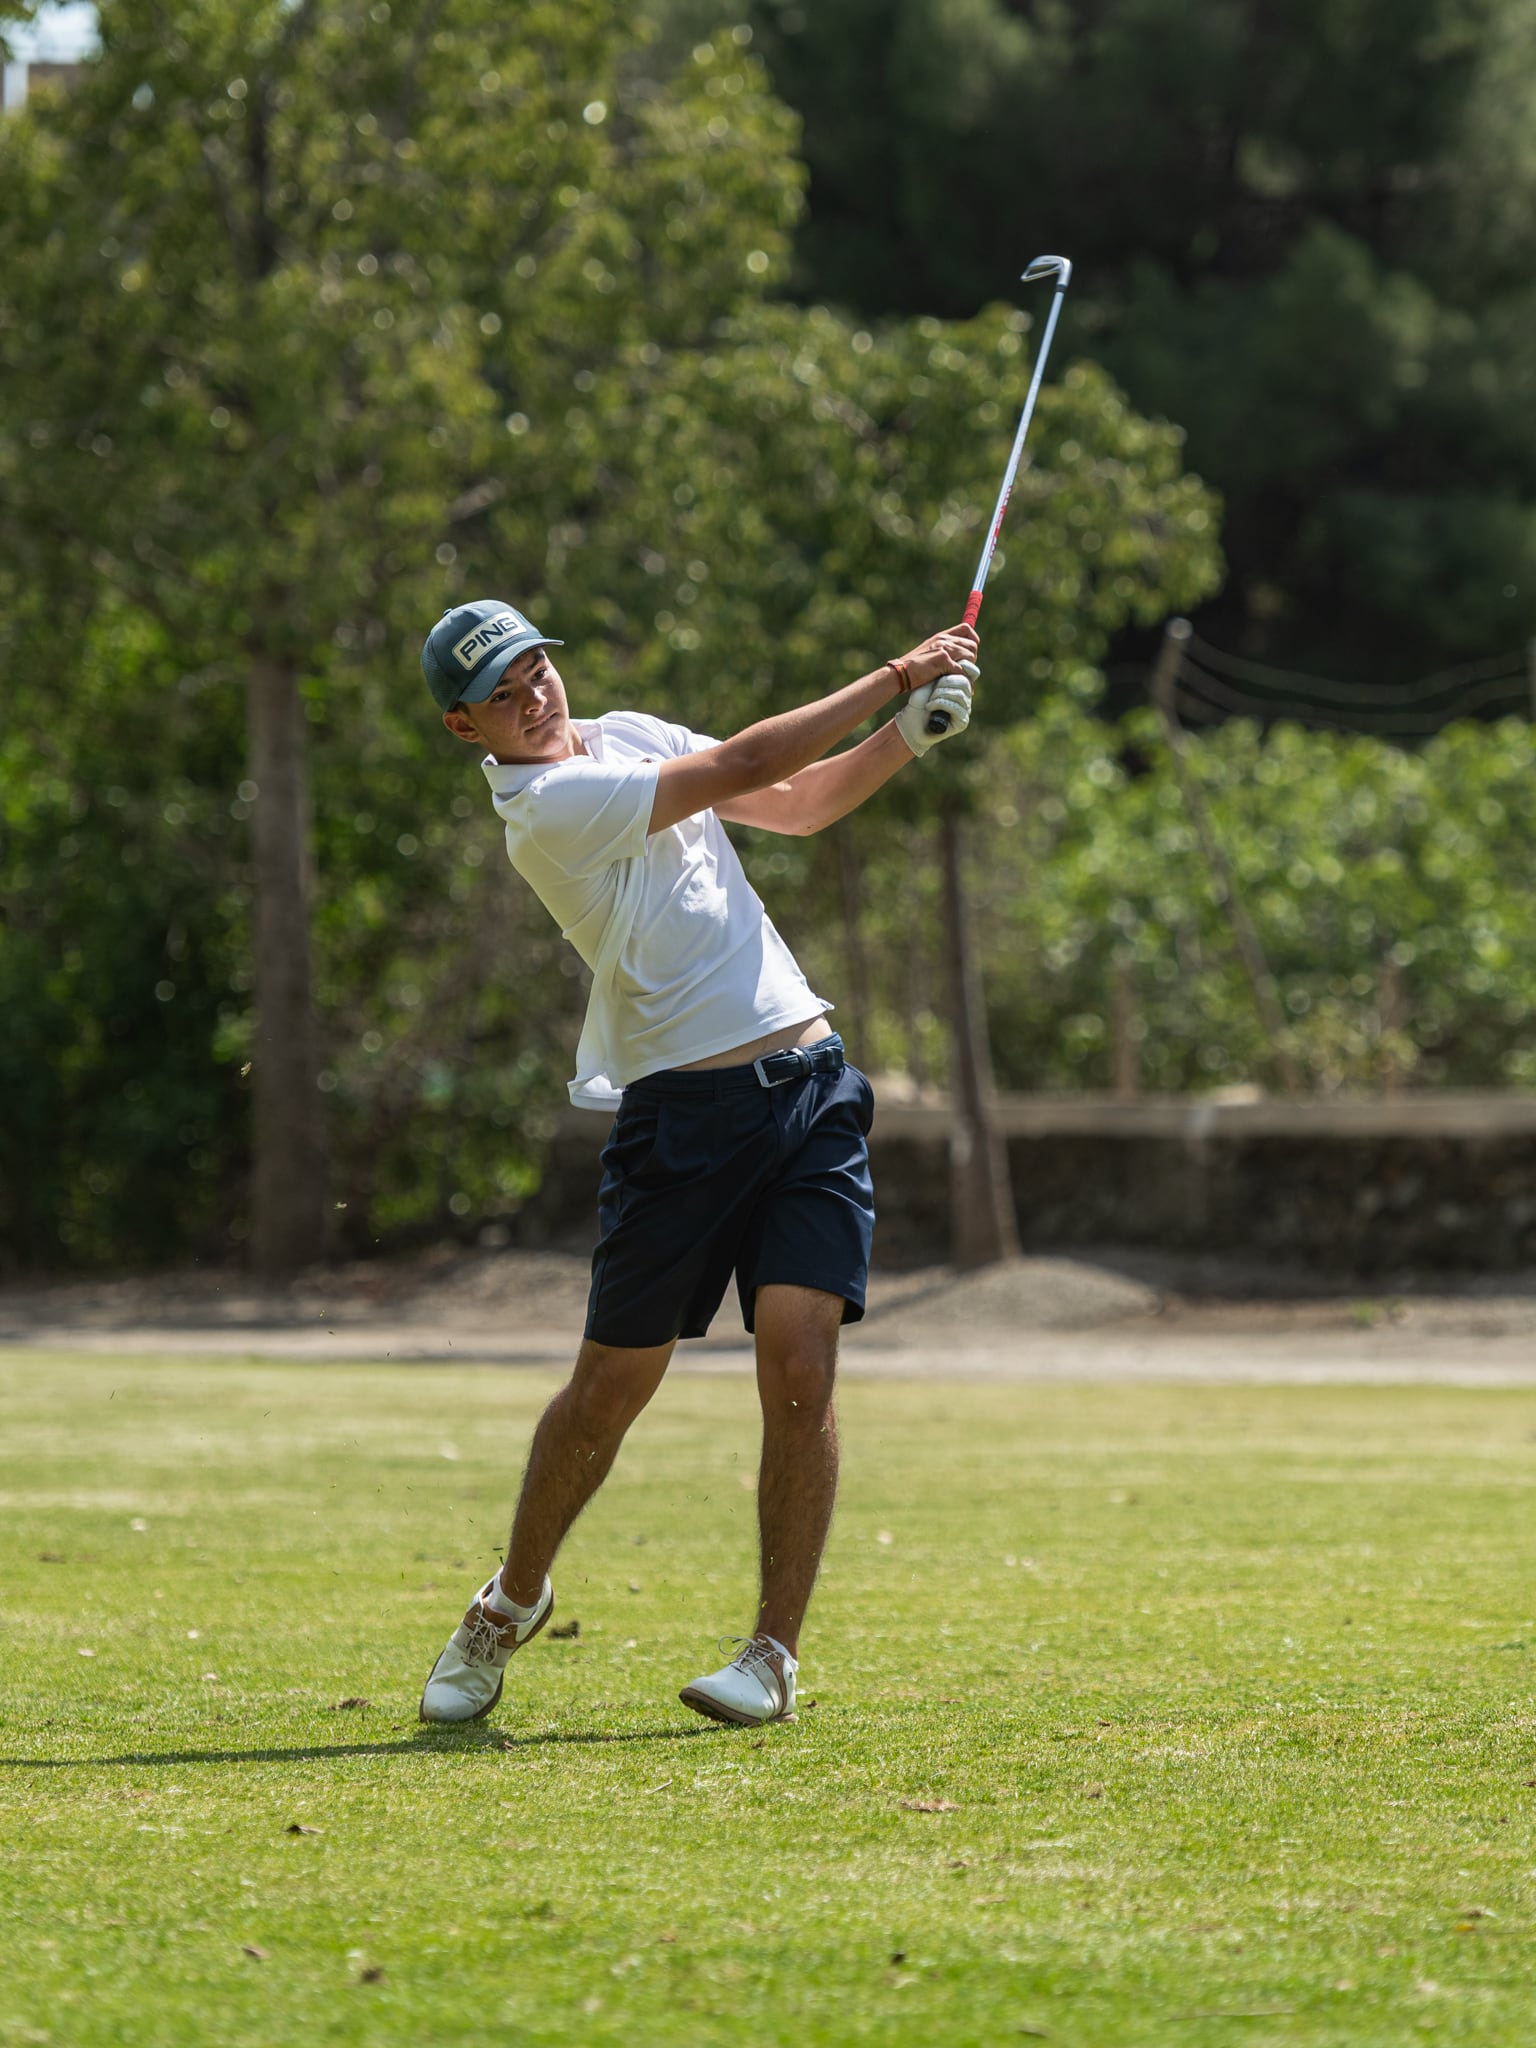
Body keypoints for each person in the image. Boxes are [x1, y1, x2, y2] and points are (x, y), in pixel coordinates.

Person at [416, 597, 978, 1727]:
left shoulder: (627, 733)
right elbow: (745, 761)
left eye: (536, 672)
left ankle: (772, 1655)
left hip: (810, 1085)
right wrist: (895, 675)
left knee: (801, 1367)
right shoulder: (544, 809)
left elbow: (799, 801)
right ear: (465, 726)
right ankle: (510, 1600)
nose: (534, 699)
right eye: (502, 696)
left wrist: (906, 738)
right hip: (681, 1120)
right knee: (605, 1397)